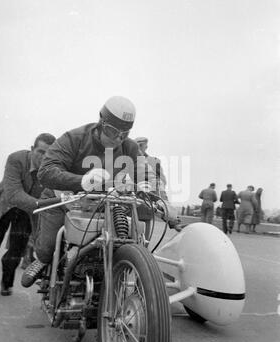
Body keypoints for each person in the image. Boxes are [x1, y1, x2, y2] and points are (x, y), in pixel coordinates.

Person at [21, 96, 179, 288]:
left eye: (124, 134)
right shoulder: (74, 138)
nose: (117, 139)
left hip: (104, 201)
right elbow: (45, 171)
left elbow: (146, 175)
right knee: (46, 247)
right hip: (62, 198)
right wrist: (81, 181)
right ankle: (43, 260)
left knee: (129, 234)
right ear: (101, 122)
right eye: (112, 131)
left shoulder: (129, 147)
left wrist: (162, 201)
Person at [0, 133, 56, 295]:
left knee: (16, 250)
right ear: (32, 149)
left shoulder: (51, 170)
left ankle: (6, 284)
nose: (43, 157)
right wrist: (40, 205)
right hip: (4, 204)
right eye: (40, 152)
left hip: (26, 211)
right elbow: (14, 193)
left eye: (48, 154)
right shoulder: (15, 159)